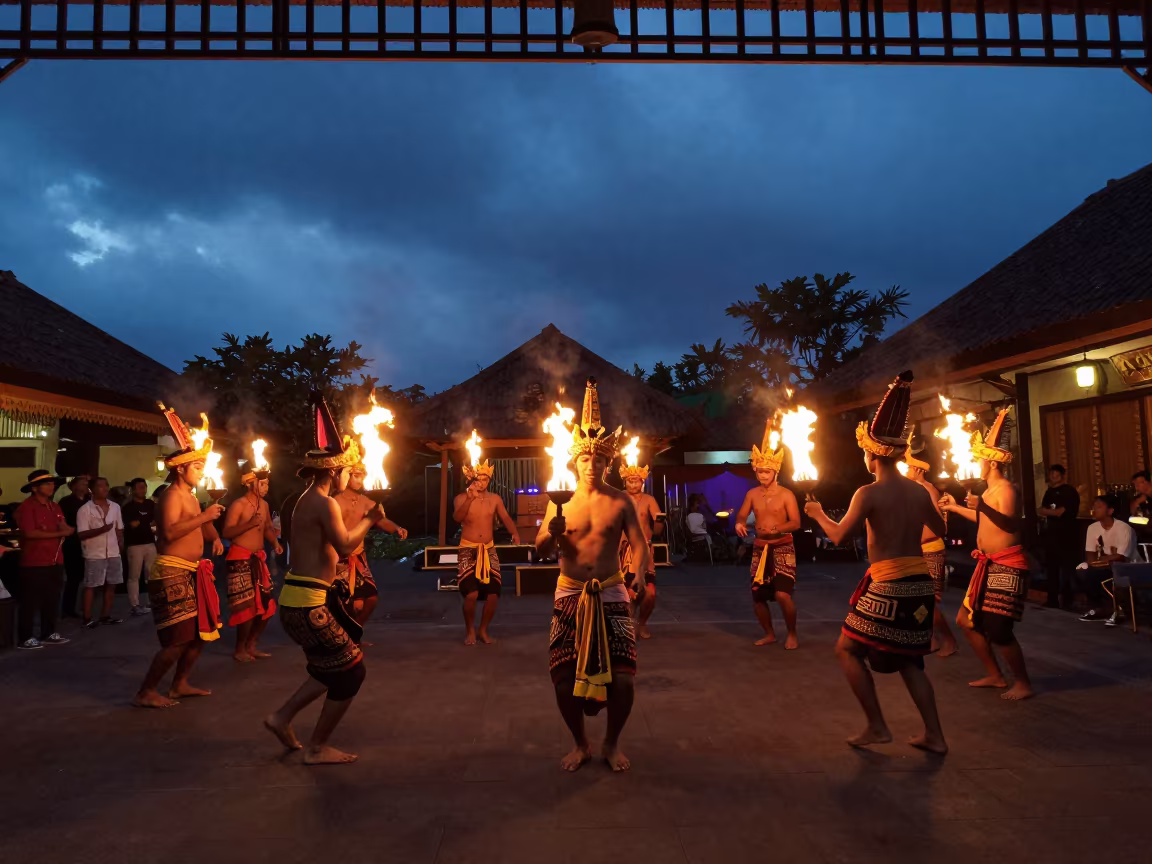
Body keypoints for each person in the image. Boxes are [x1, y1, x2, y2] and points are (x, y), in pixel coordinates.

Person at [805, 372, 947, 754]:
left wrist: (817, 513)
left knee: (846, 649)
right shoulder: (918, 491)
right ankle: (935, 735)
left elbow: (837, 536)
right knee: (909, 662)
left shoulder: (868, 492)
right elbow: (940, 527)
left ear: (871, 454)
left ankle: (877, 726)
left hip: (888, 584)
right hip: (919, 584)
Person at [265, 394, 384, 765]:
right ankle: (317, 747)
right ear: (335, 472)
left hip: (300, 600)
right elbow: (347, 546)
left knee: (328, 667)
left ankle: (281, 717)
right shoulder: (324, 502)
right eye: (347, 470)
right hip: (308, 606)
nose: (350, 476)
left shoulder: (302, 500)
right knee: (351, 671)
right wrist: (371, 518)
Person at [536, 378, 648, 773]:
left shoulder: (620, 500)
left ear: (608, 463)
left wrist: (640, 574)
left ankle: (611, 743)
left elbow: (639, 542)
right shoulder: (559, 501)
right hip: (569, 591)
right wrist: (552, 536)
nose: (591, 465)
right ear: (575, 462)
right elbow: (541, 550)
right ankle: (580, 743)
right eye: (585, 460)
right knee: (563, 679)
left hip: (613, 589)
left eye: (599, 460)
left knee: (624, 680)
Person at [940, 408, 1034, 701]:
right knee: (965, 621)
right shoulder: (988, 492)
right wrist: (957, 508)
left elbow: (1009, 523)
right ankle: (995, 675)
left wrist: (981, 505)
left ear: (992, 461)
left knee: (999, 628)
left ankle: (1022, 683)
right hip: (988, 565)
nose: (976, 463)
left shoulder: (1005, 489)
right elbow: (986, 519)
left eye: (980, 459)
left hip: (1008, 564)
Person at [133, 409, 224, 708]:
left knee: (199, 635)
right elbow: (170, 533)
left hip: (193, 570)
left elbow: (201, 523)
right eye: (197, 468)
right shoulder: (172, 496)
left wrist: (215, 533)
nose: (201, 472)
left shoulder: (193, 497)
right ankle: (146, 691)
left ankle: (179, 684)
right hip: (171, 571)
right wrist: (205, 516)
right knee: (177, 639)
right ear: (181, 469)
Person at [734, 419, 802, 648]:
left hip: (783, 547)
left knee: (783, 595)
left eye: (766, 472)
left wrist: (778, 528)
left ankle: (792, 633)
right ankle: (770, 633)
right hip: (760, 549)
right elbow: (742, 515)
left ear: (775, 471)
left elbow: (795, 522)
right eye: (759, 471)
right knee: (758, 597)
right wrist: (739, 523)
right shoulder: (752, 494)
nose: (762, 475)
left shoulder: (786, 494)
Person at [333, 462, 408, 636]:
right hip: (338, 558)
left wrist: (396, 528)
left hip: (358, 557)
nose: (360, 480)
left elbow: (380, 520)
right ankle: (342, 637)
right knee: (345, 601)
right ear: (346, 476)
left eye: (362, 476)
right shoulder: (335, 500)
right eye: (356, 476)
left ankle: (354, 633)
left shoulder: (366, 501)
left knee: (371, 598)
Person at [452, 456, 519, 645]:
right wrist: (469, 499)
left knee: (493, 594)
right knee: (471, 594)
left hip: (488, 550)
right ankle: (470, 631)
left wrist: (515, 533)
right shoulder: (461, 498)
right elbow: (457, 518)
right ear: (471, 480)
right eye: (478, 479)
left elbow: (505, 517)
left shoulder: (495, 499)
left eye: (485, 479)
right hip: (468, 549)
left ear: (489, 480)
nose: (481, 482)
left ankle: (483, 630)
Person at [223, 461, 282, 662]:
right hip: (240, 558)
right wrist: (249, 524)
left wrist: (274, 543)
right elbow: (227, 532)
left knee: (266, 604)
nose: (266, 488)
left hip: (258, 559)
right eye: (263, 484)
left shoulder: (264, 505)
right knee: (246, 607)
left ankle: (252, 644)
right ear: (251, 484)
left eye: (267, 484)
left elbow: (266, 527)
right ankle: (240, 649)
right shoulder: (239, 504)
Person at [904, 438, 957, 657]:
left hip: (930, 548)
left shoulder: (928, 490)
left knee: (930, 600)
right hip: (916, 549)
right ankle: (931, 638)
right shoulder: (912, 490)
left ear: (916, 469)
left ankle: (950, 641)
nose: (904, 470)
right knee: (916, 598)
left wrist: (913, 542)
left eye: (906, 467)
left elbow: (938, 527)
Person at [12, 469, 72, 649]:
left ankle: (48, 632)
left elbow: (63, 524)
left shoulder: (54, 506)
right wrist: (61, 532)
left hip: (55, 560)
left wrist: (63, 529)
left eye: (52, 483)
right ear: (35, 488)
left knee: (52, 599)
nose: (52, 486)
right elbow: (30, 533)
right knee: (29, 601)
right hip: (34, 561)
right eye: (47, 483)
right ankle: (26, 637)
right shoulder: (27, 507)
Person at [1079, 493, 1138, 626]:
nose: (1095, 509)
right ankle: (1099, 608)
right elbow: (1090, 554)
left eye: (1099, 507)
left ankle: (1120, 610)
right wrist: (1096, 562)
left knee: (1114, 573)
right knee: (1084, 570)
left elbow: (1121, 556)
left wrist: (1103, 559)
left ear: (1110, 511)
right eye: (1094, 507)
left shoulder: (1124, 528)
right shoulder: (1092, 528)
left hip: (1126, 566)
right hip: (1105, 565)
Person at [619, 457, 660, 639]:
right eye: (629, 480)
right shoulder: (618, 498)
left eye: (636, 480)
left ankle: (642, 624)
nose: (632, 483)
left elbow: (658, 527)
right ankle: (626, 626)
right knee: (625, 594)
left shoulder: (649, 499)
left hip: (644, 554)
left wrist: (660, 522)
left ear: (642, 481)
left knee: (649, 593)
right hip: (623, 553)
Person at [76, 477, 125, 629]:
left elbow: (119, 528)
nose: (104, 489)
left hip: (113, 552)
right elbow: (81, 534)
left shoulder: (115, 507)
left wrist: (120, 543)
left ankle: (105, 615)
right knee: (91, 585)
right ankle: (87, 617)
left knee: (112, 584)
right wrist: (102, 530)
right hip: (94, 553)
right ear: (92, 489)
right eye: (100, 486)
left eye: (106, 485)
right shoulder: (85, 510)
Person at [1037, 464, 1081, 610]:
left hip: (1067, 535)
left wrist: (1048, 511)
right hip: (1051, 536)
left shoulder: (1070, 492)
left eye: (1056, 474)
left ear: (1062, 475)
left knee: (1067, 568)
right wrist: (1049, 511)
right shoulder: (1049, 492)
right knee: (1052, 568)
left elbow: (1059, 512)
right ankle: (1052, 599)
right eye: (1052, 474)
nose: (1054, 476)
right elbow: (1040, 509)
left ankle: (1068, 600)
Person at [122, 478, 157, 617]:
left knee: (152, 574)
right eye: (139, 487)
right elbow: (132, 524)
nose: (142, 489)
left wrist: (143, 521)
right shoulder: (128, 507)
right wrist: (147, 521)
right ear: (133, 489)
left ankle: (151, 601)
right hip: (134, 545)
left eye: (144, 487)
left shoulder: (150, 504)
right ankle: (135, 605)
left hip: (150, 543)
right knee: (134, 576)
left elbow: (154, 521)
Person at [58, 475, 90, 619]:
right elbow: (61, 521)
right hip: (73, 542)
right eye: (81, 483)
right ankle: (68, 608)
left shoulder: (90, 501)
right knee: (73, 577)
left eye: (86, 484)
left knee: (88, 577)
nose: (84, 486)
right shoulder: (66, 502)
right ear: (74, 486)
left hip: (90, 541)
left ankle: (86, 606)